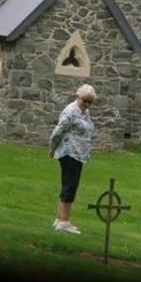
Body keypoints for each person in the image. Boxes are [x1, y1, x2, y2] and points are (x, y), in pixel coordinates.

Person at [49, 84, 96, 234]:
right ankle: (65, 222)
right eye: (84, 100)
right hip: (70, 152)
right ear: (78, 96)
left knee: (68, 184)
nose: (86, 104)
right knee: (70, 185)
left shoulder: (84, 112)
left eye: (89, 102)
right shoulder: (71, 111)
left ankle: (59, 219)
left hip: (79, 154)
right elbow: (58, 131)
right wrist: (52, 148)